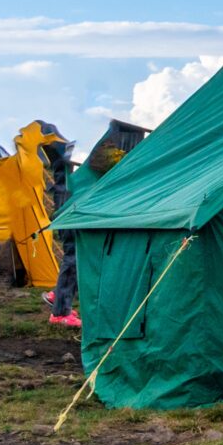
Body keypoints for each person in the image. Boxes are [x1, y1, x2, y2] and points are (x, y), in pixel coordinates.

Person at [46, 118, 147, 327]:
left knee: (77, 257)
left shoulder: (104, 150)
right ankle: (60, 313)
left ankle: (59, 296)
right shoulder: (107, 153)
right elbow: (119, 171)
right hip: (76, 211)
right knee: (74, 257)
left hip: (77, 209)